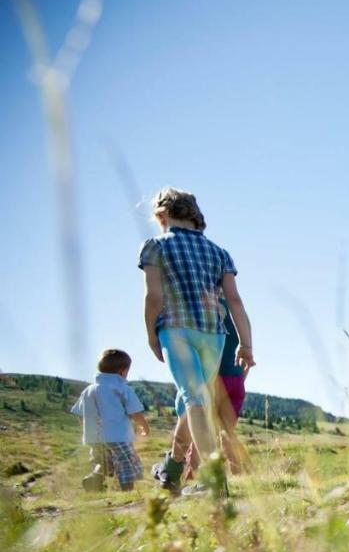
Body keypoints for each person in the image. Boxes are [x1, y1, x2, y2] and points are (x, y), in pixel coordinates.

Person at [140, 187, 255, 496]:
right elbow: (234, 300)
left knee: (193, 400)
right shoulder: (219, 253)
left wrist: (152, 335)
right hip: (214, 334)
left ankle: (214, 481)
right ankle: (172, 468)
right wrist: (246, 343)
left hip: (176, 330)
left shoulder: (154, 246)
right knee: (191, 401)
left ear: (161, 216)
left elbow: (154, 296)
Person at [174, 298, 251, 480]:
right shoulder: (238, 318)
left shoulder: (207, 309)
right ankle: (240, 476)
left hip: (215, 380)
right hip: (236, 380)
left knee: (200, 431)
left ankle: (192, 476)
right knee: (227, 433)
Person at [71, 349, 149, 492]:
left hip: (93, 437)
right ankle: (127, 489)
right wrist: (144, 427)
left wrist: (87, 427)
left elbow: (79, 413)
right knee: (125, 461)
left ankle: (95, 478)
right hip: (118, 436)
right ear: (122, 371)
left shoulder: (88, 390)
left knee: (103, 461)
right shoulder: (122, 388)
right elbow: (134, 412)